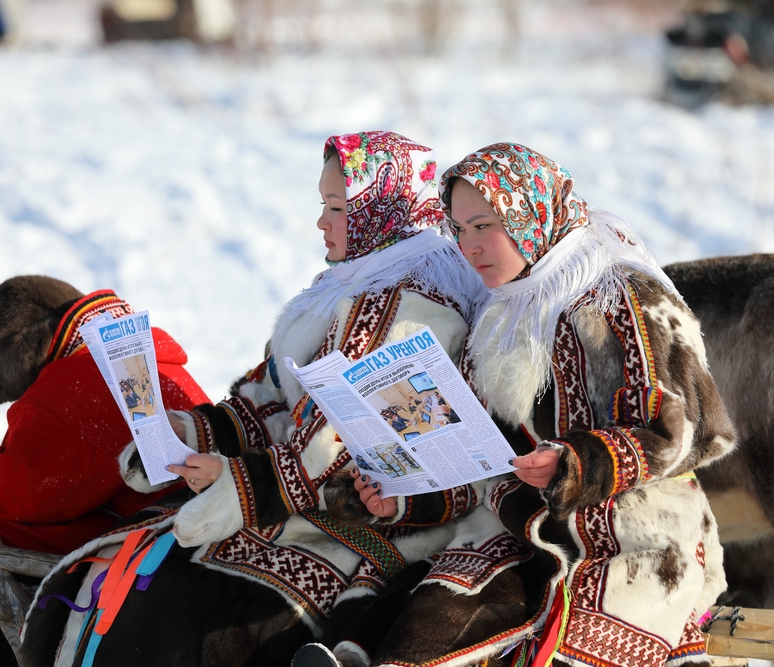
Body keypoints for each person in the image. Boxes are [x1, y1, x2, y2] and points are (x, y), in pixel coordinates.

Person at [20, 131, 486, 667]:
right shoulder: (344, 287)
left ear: (379, 212)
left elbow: (346, 444)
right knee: (143, 571)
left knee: (193, 609)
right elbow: (272, 395)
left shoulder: (414, 308)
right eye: (323, 205)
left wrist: (236, 486)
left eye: (337, 207)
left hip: (377, 522)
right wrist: (192, 433)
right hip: (296, 504)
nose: (321, 221)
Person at [305, 143, 737, 667]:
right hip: (516, 525)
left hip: (630, 532)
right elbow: (475, 461)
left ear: (528, 215)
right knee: (425, 629)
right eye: (459, 230)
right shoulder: (498, 312)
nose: (469, 247)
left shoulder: (623, 296)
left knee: (561, 649)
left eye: (484, 225)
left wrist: (578, 463)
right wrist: (398, 496)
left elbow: (694, 427)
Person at [0, 276, 209, 667]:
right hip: (172, 527)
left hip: (148, 545)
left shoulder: (78, 382)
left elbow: (22, 489)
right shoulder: (134, 354)